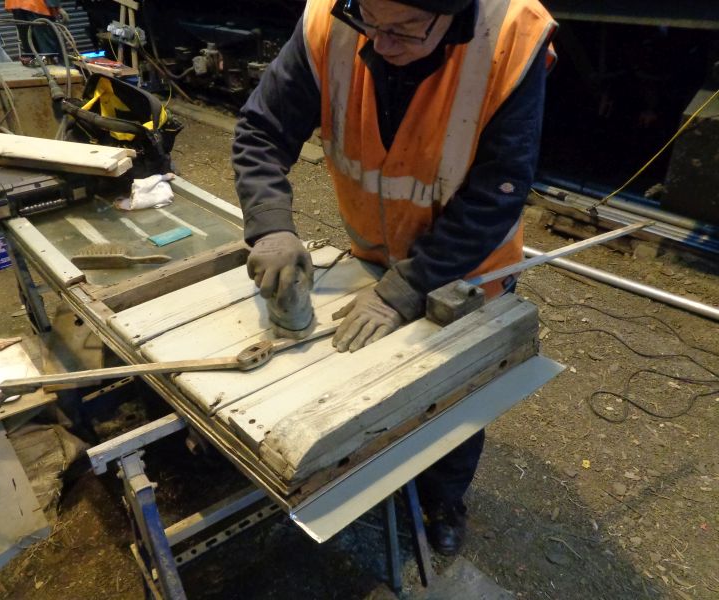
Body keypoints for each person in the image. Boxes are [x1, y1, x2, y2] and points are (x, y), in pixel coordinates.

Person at [233, 0, 556, 555]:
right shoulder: (329, 21)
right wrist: (270, 228)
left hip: (467, 267)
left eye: (405, 30)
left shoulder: (511, 37)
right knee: (370, 385)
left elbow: (497, 190)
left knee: (451, 396)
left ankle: (443, 498)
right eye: (369, 23)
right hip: (374, 248)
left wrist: (409, 288)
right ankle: (371, 474)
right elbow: (262, 132)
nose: (380, 45)